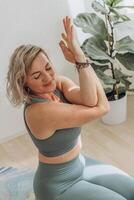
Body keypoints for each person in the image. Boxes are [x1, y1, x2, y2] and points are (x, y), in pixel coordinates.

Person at [6, 16, 134, 200]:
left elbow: (90, 100)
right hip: (58, 185)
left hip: (81, 164)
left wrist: (80, 58)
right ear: (24, 83)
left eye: (48, 68)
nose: (47, 78)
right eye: (36, 76)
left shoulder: (57, 85)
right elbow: (102, 107)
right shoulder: (40, 112)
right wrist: (82, 61)